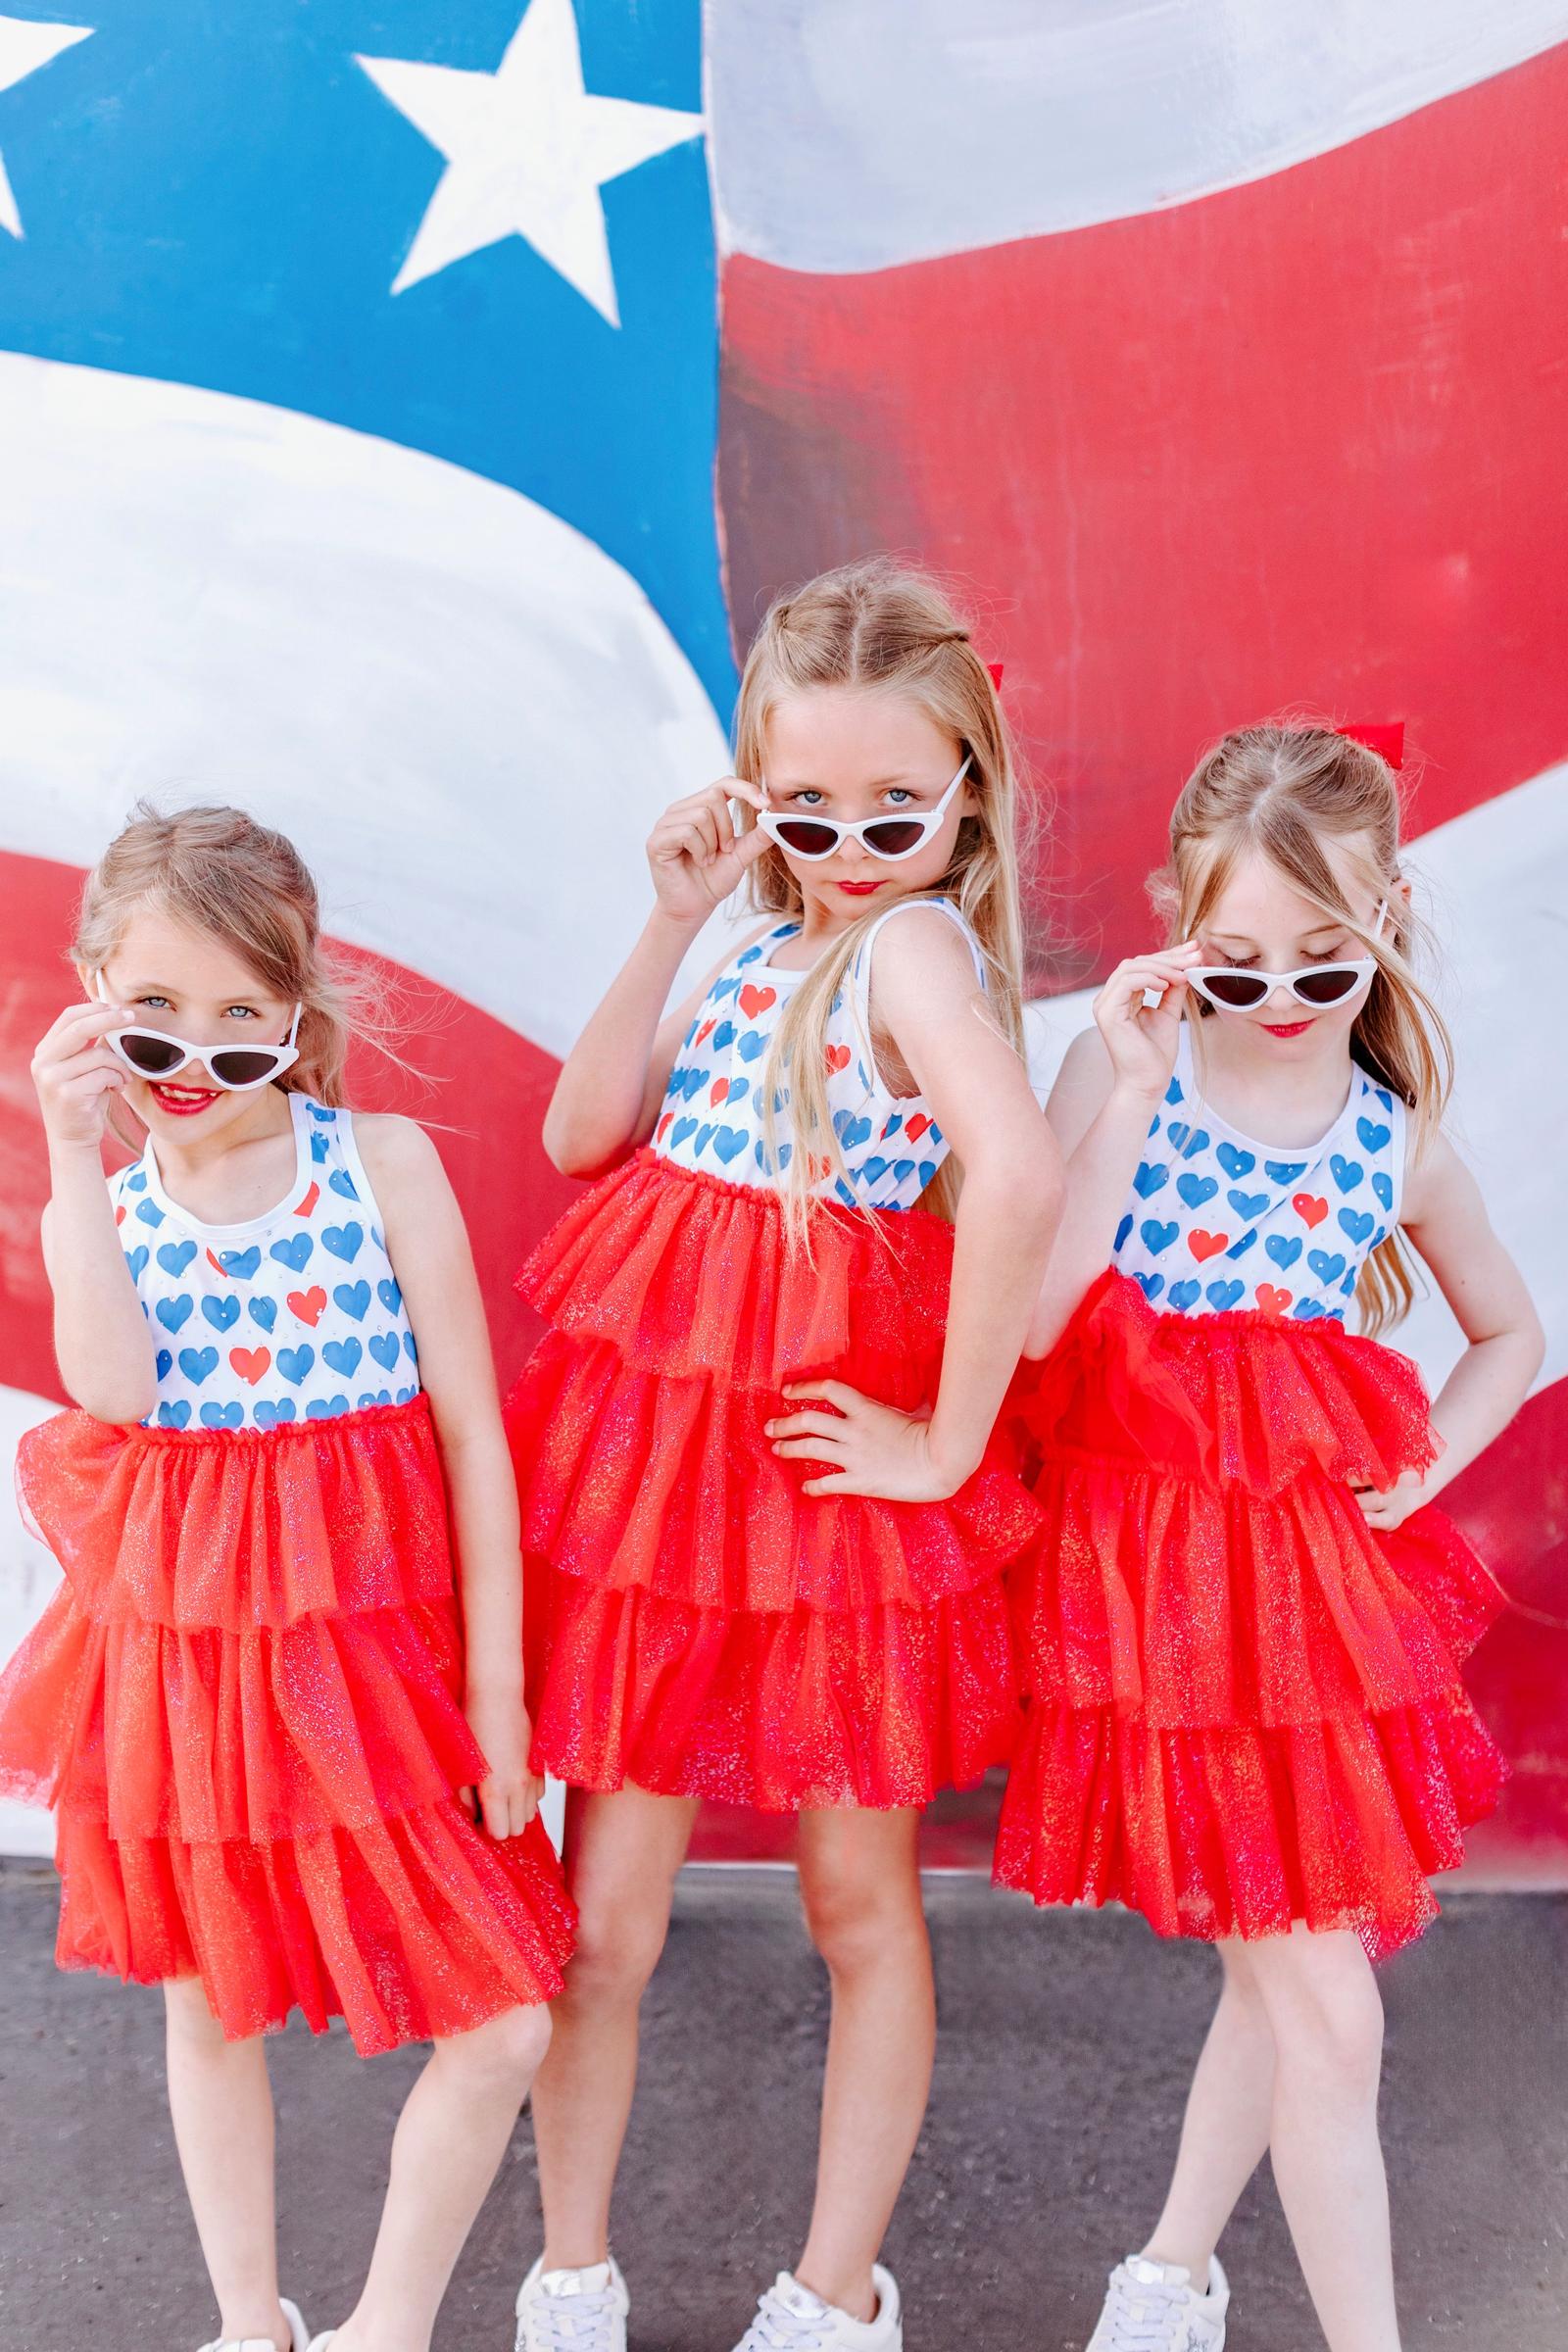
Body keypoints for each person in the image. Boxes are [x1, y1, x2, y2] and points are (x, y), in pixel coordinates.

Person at [506, 560, 1062, 2352]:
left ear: (966, 783)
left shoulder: (911, 944)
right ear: (756, 783)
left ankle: (838, 2294)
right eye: (803, 805)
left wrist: (949, 1445)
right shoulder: (765, 922)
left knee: (850, 1899)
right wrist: (672, 917)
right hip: (677, 1484)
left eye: (892, 808)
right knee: (606, 1919)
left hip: (827, 1489)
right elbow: (587, 1130)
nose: (847, 844)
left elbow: (1025, 1175)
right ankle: (571, 2272)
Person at [996, 723, 1544, 2352]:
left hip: (1307, 1608)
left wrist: (1421, 1468)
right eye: (1238, 961)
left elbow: (1508, 1332)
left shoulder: (1391, 1136)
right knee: (1323, 1993)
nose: (1289, 996)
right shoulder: (1121, 1078)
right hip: (1148, 1599)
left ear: (1387, 923)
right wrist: (1135, 1084)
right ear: (1176, 918)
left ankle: (1168, 2278)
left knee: (1290, 1973)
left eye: (1330, 958)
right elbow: (1034, 1324)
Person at [0, 806, 575, 2352]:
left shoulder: (376, 1165)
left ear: (299, 1010)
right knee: (208, 1997)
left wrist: (500, 1695)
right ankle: (249, 2324)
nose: (197, 1058)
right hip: (192, 1676)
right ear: (96, 1002)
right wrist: (65, 1148)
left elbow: (471, 1435)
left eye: (242, 1017)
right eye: (157, 1017)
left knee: (505, 2017)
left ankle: (386, 2329)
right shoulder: (115, 1211)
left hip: (383, 1672)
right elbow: (113, 1397)